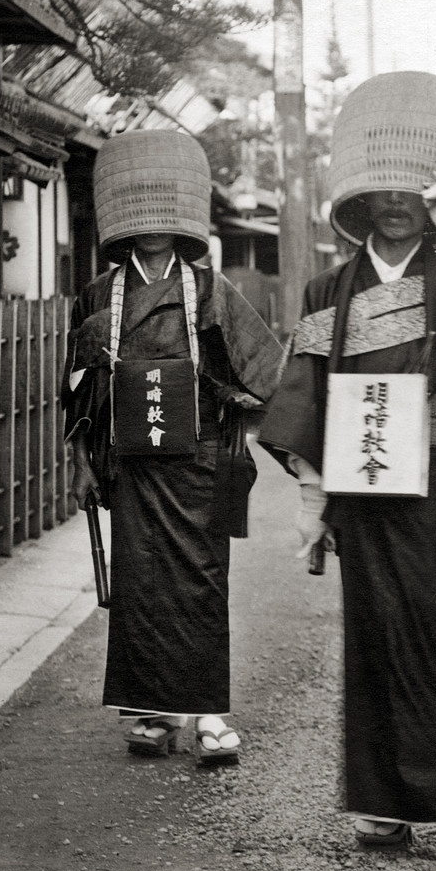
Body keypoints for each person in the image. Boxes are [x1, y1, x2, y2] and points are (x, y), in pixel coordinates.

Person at [259, 72, 436, 870]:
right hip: (361, 486)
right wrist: (313, 497)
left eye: (414, 190)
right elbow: (305, 391)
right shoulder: (330, 287)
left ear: (435, 198)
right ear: (359, 200)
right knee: (375, 639)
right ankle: (383, 802)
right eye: (381, 190)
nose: (396, 202)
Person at [62, 129, 284, 761]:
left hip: (199, 459)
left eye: (166, 209)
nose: (154, 225)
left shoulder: (210, 289)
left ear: (182, 217)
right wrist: (81, 463)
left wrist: (240, 403)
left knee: (201, 581)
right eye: (142, 209)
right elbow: (77, 396)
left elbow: (263, 373)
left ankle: (210, 712)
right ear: (124, 220)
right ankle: (154, 714)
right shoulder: (99, 295)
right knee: (140, 586)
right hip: (132, 463)